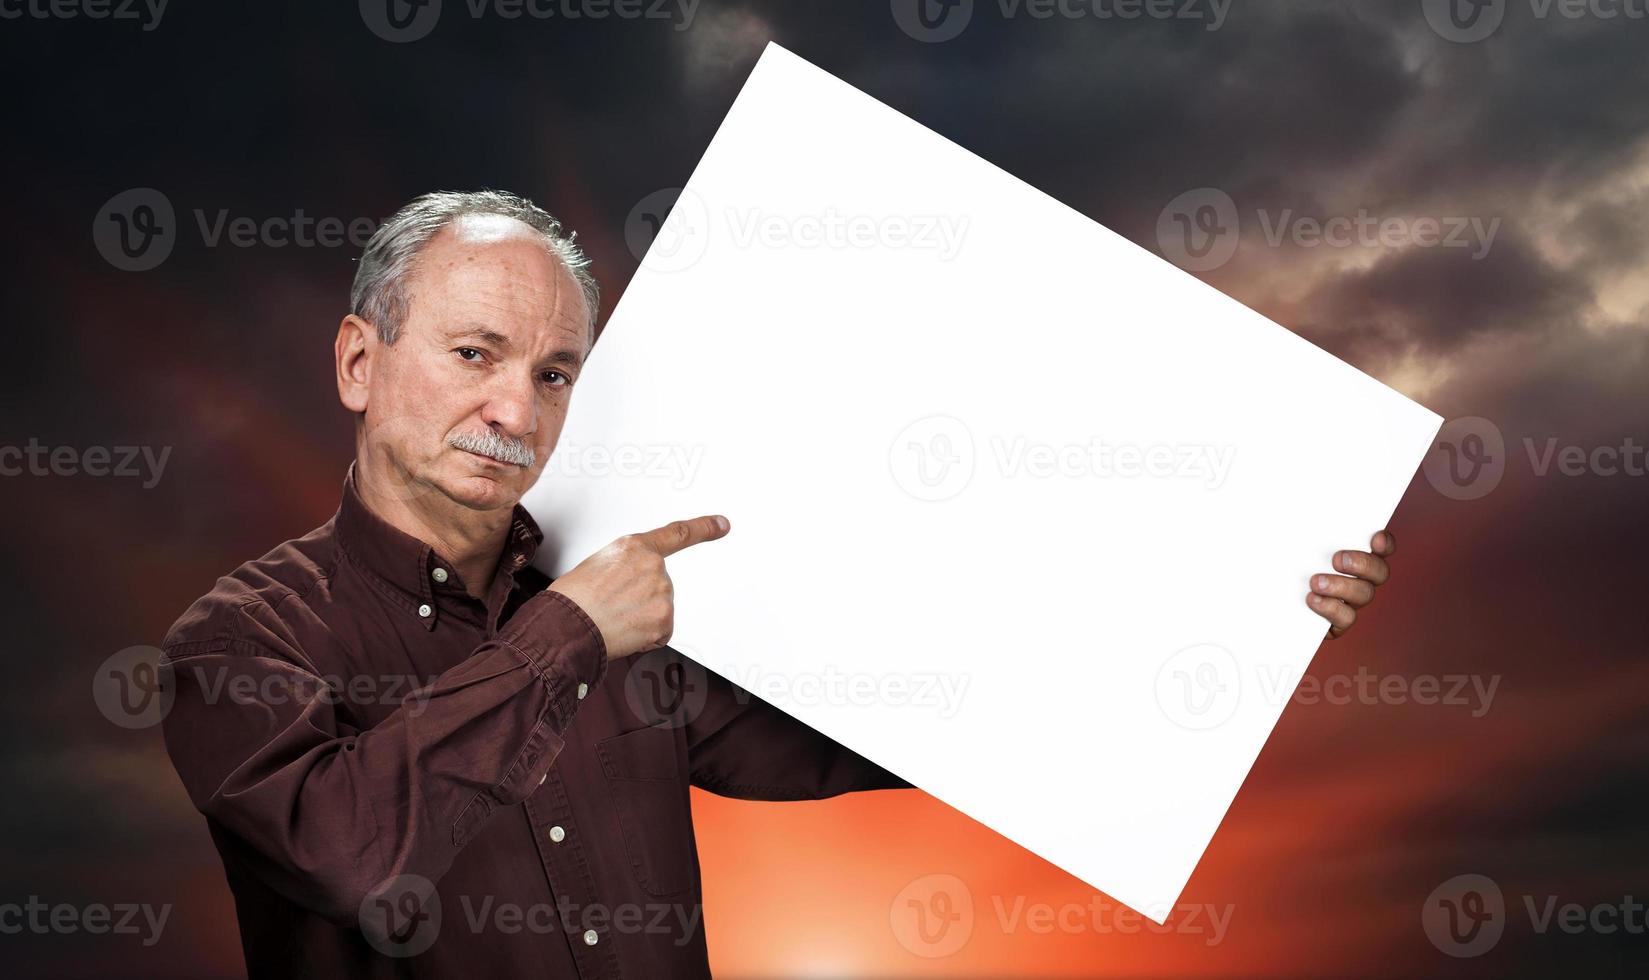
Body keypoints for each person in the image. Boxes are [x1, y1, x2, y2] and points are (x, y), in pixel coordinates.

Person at [160, 189, 1398, 979]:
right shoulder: (240, 638)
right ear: (359, 362)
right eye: (474, 353)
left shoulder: (623, 597)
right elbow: (344, 856)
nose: (513, 409)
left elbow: (888, 720)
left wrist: (1240, 611)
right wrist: (569, 634)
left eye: (552, 373)